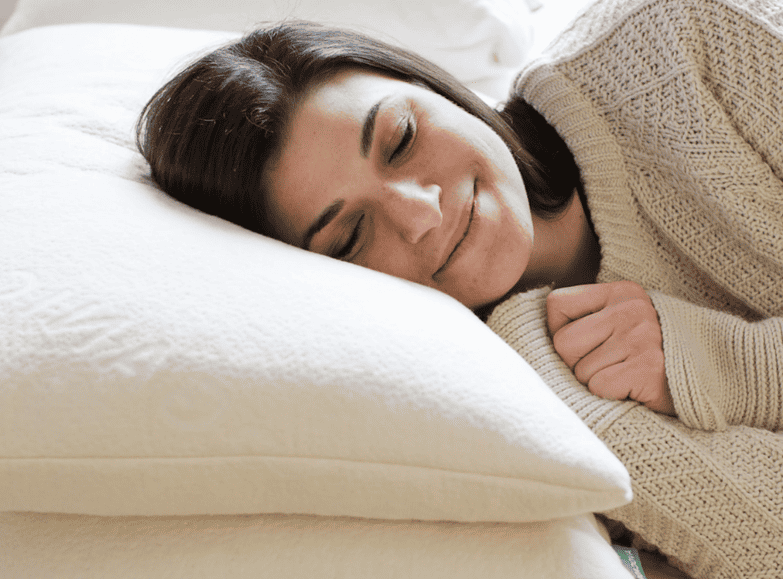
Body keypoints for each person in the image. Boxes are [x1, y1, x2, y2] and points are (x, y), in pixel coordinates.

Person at [136, 0, 783, 577]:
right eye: (350, 237)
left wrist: (730, 364)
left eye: (402, 138)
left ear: (434, 86)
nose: (420, 211)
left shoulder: (684, 41)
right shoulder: (523, 388)